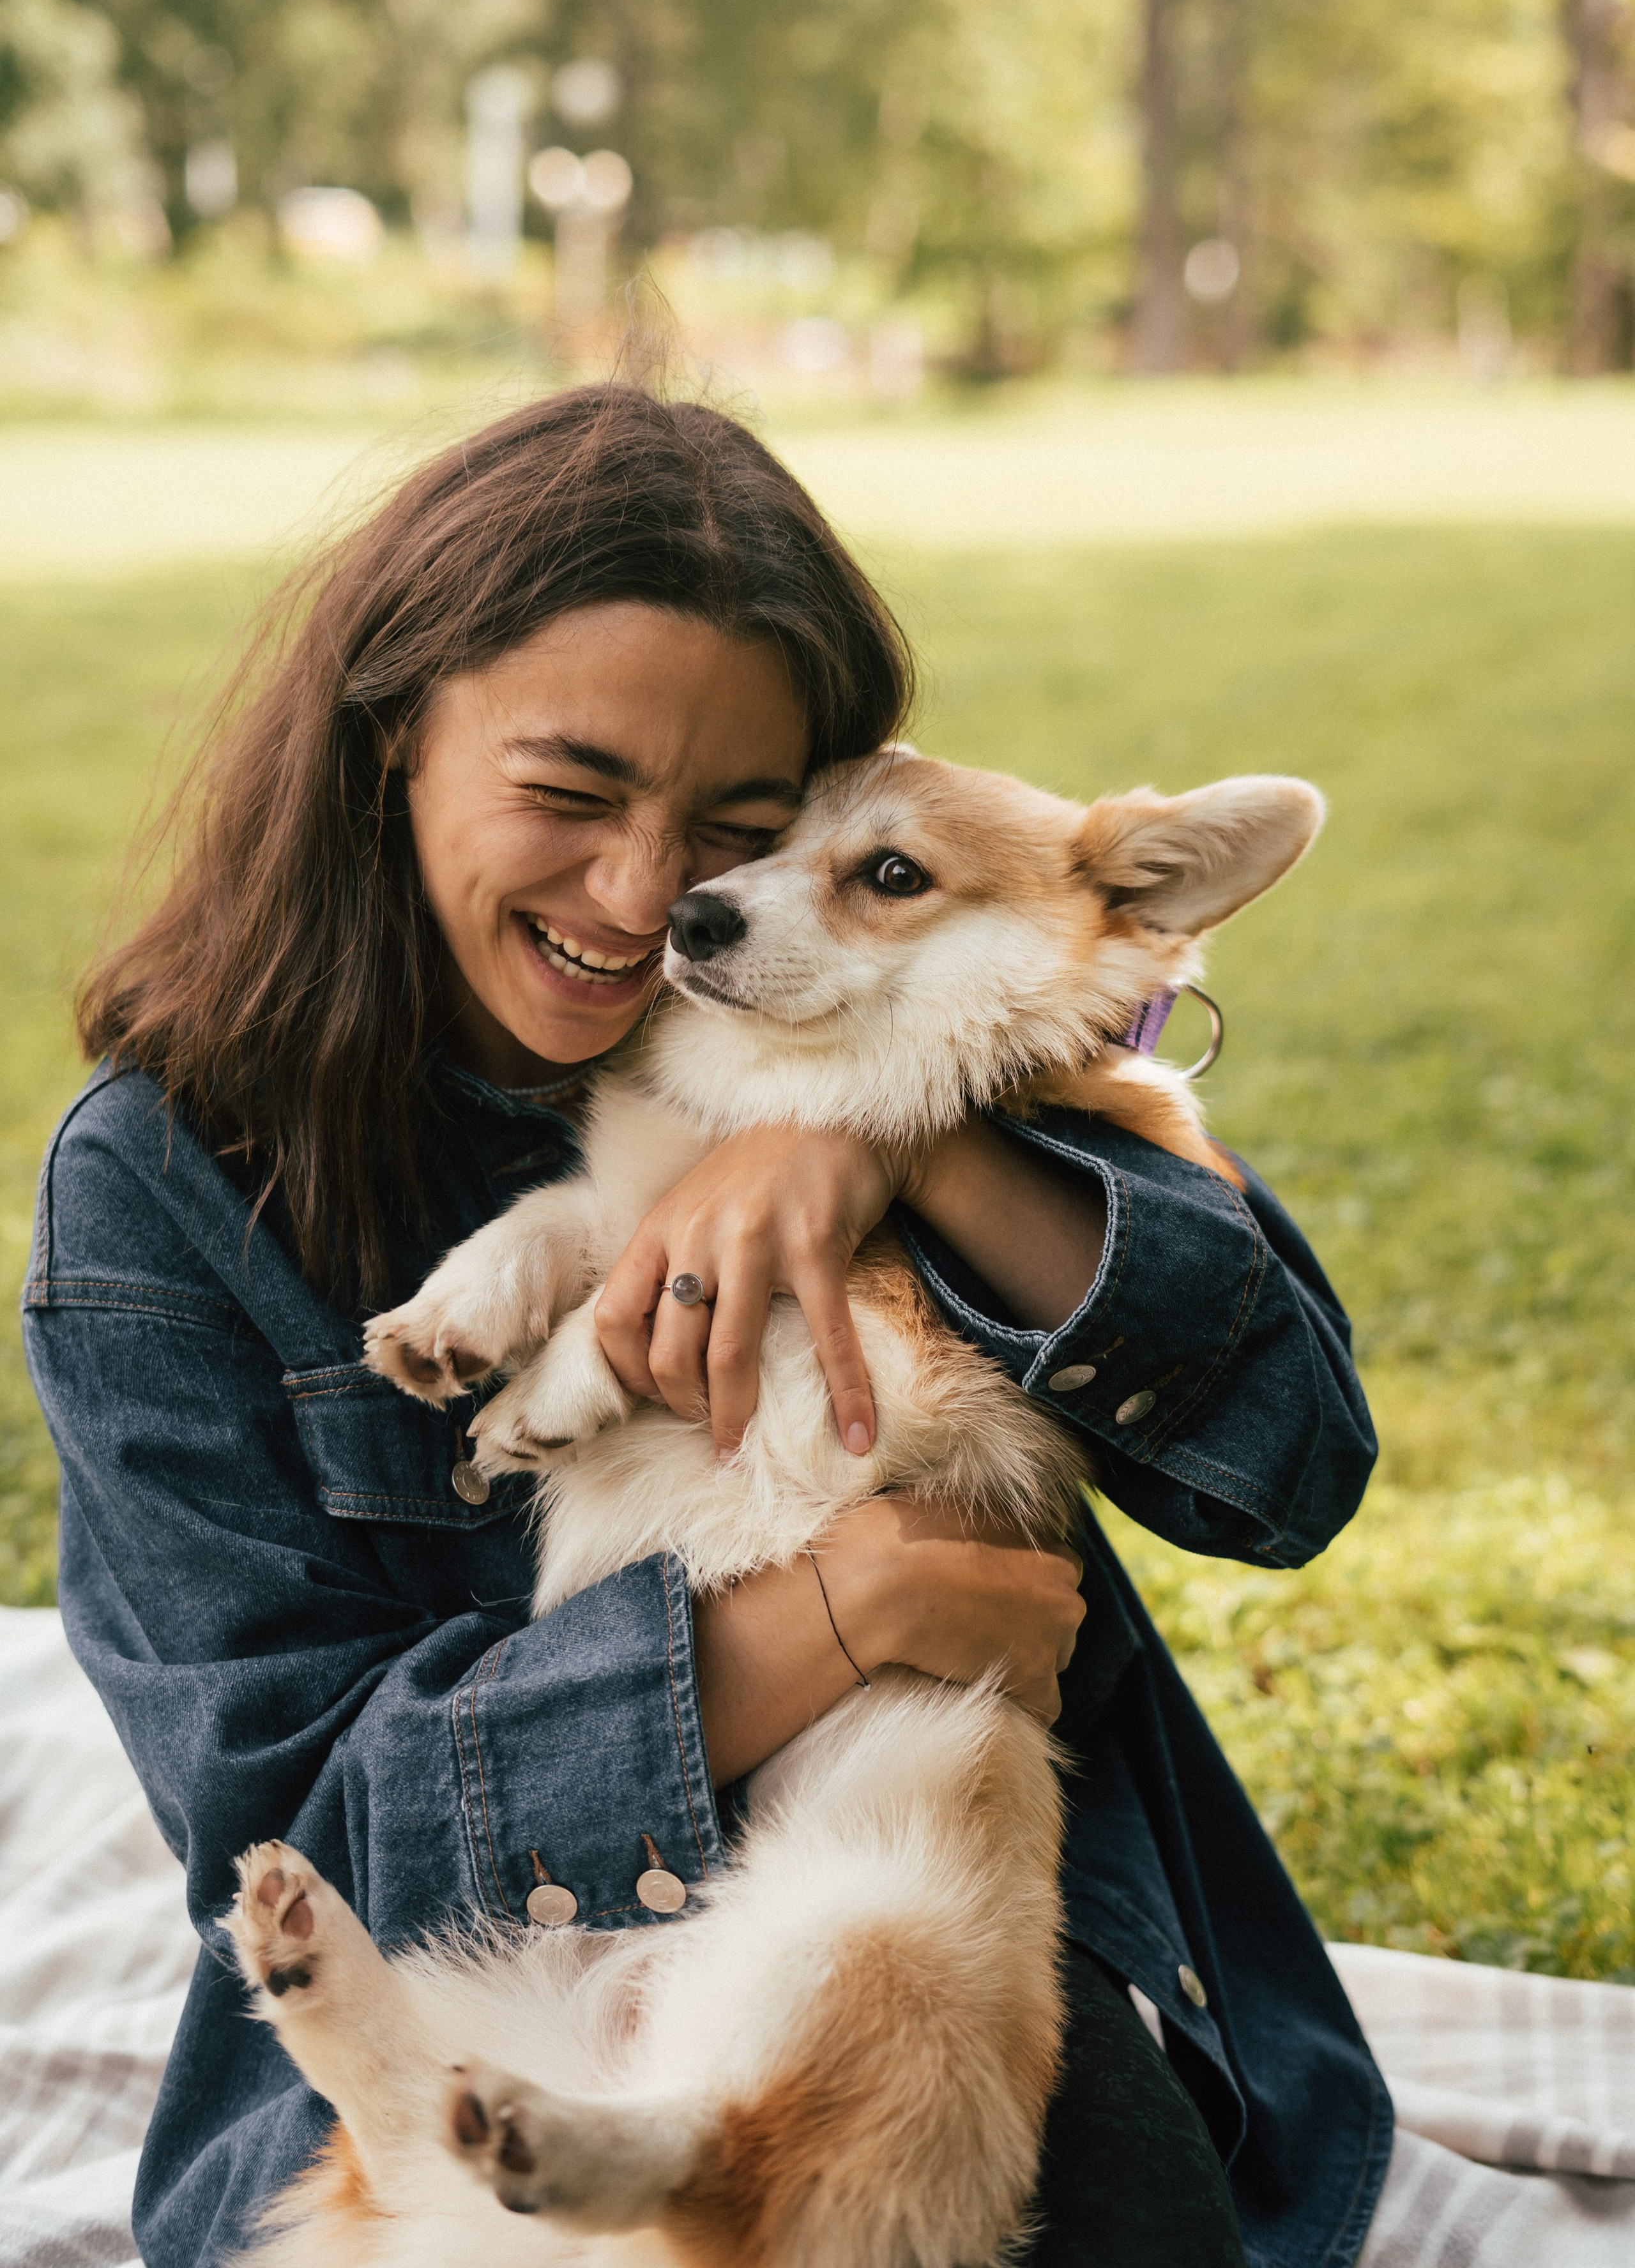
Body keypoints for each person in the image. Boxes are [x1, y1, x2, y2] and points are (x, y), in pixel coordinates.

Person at [24, 383, 1390, 2268]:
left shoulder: (884, 1039)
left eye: (739, 821)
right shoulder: (164, 1187)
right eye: (571, 793)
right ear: (390, 743)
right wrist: (831, 1619)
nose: (651, 896)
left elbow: (1293, 1468)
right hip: (460, 2004)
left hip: (903, 1965)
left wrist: (893, 1145)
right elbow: (303, 1830)